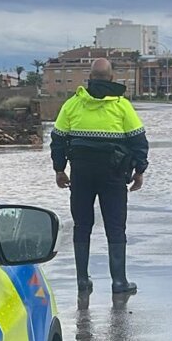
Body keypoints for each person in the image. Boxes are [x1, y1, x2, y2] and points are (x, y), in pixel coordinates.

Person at [50, 57, 149, 296]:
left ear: (90, 78)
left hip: (81, 176)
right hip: (114, 175)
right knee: (116, 227)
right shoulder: (122, 106)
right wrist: (140, 171)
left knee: (81, 225)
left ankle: (82, 281)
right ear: (112, 78)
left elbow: (58, 140)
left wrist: (60, 169)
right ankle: (119, 282)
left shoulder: (72, 105)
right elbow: (139, 141)